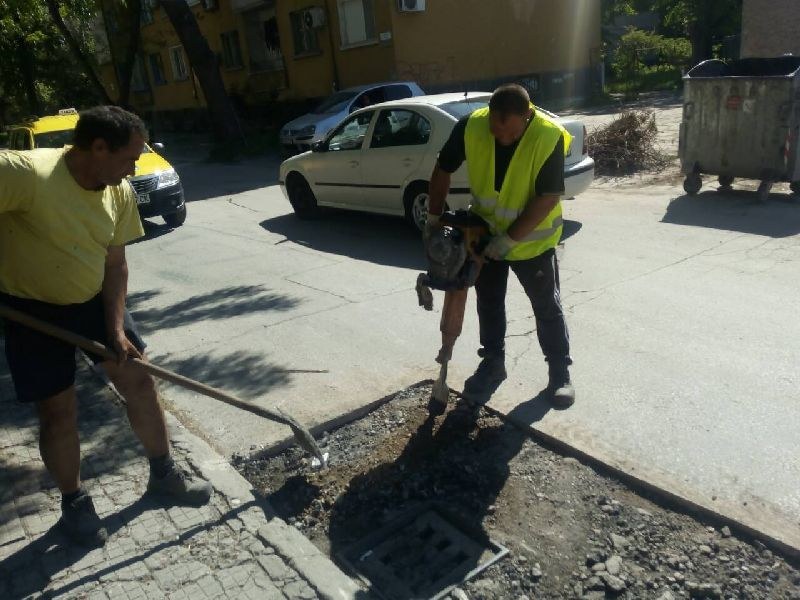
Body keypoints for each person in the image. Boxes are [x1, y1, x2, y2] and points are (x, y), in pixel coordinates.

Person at [0, 106, 212, 547]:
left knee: (139, 379)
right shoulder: (26, 173)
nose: (135, 168)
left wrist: (115, 330)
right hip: (30, 311)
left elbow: (116, 264)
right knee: (58, 413)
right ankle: (75, 505)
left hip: (95, 301)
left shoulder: (118, 192)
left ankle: (164, 474)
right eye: (129, 158)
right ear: (98, 148)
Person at [426, 84, 575, 408]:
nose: (501, 138)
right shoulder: (471, 126)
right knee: (489, 303)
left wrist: (508, 241)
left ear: (528, 116)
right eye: (496, 131)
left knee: (546, 307)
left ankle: (560, 373)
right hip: (484, 233)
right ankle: (493, 363)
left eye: (509, 133)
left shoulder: (548, 136)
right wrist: (433, 218)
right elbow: (442, 169)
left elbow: (548, 197)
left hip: (532, 243)